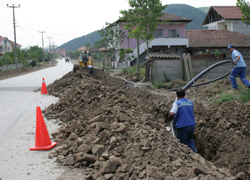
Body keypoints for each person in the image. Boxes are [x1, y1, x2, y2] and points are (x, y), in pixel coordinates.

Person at [168, 88, 197, 152]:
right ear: (184, 94)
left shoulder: (177, 103)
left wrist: (170, 118)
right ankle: (195, 153)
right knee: (189, 140)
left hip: (183, 125)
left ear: (177, 95)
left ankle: (185, 156)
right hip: (192, 125)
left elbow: (172, 113)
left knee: (182, 143)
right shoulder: (190, 102)